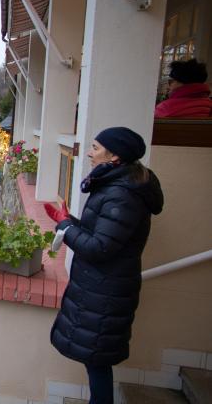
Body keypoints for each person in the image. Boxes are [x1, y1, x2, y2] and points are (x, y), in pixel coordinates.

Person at [46, 127, 163, 404]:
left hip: (105, 290)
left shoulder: (122, 195)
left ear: (114, 156)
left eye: (96, 148)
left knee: (96, 360)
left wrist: (65, 226)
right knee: (95, 359)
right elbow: (101, 233)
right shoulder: (117, 186)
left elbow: (100, 248)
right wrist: (69, 221)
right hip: (100, 288)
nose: (88, 152)